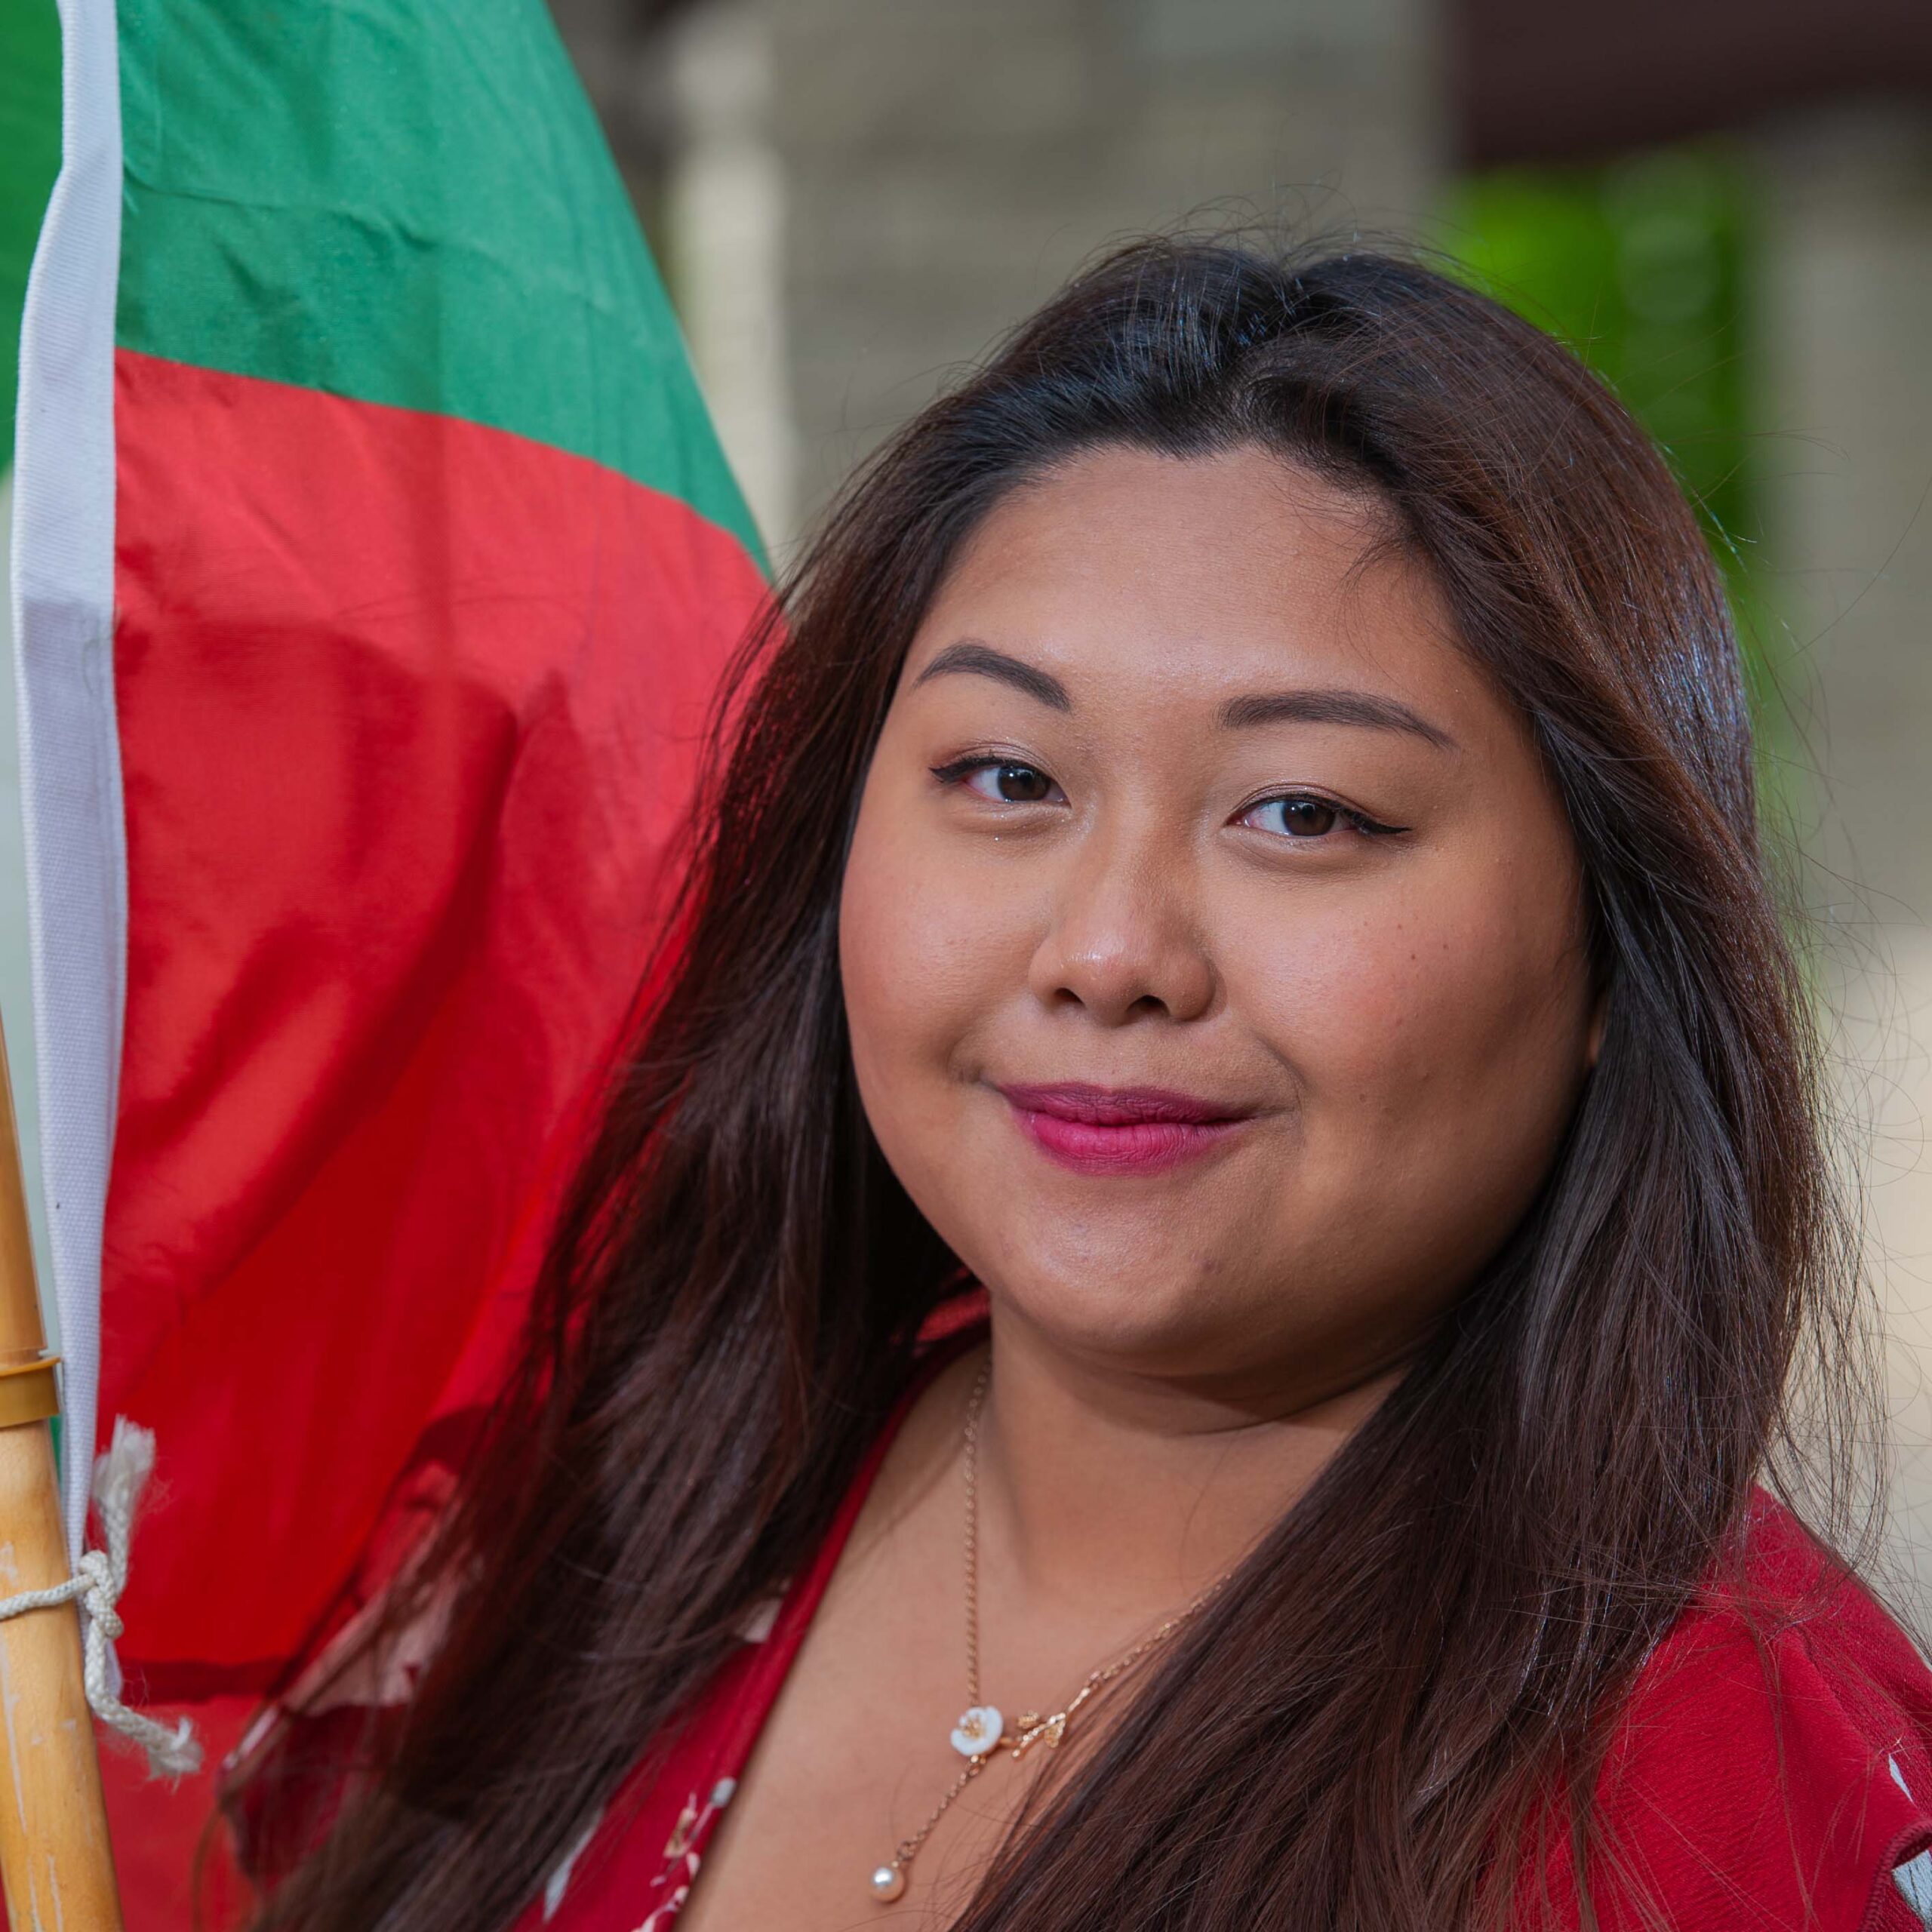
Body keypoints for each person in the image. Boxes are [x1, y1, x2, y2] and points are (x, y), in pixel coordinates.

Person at [237, 237, 1932, 1930]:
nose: (1110, 948)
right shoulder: (648, 1492)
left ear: (1610, 954)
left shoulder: (1730, 1784)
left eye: (1303, 811)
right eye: (1003, 773)